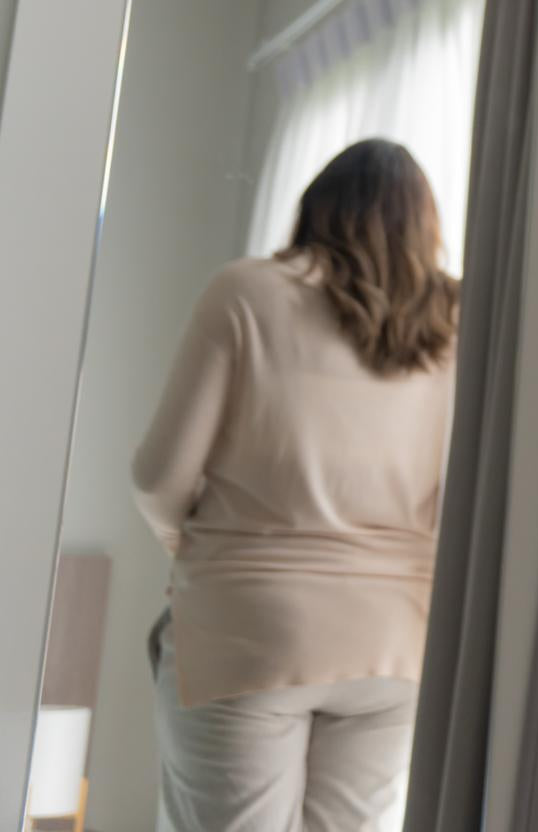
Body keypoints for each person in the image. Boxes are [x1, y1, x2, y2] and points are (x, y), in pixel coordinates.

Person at [132, 138, 459, 832]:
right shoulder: (456, 319)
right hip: (395, 644)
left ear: (316, 210)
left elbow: (158, 475)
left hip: (248, 632)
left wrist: (189, 550)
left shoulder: (247, 292)